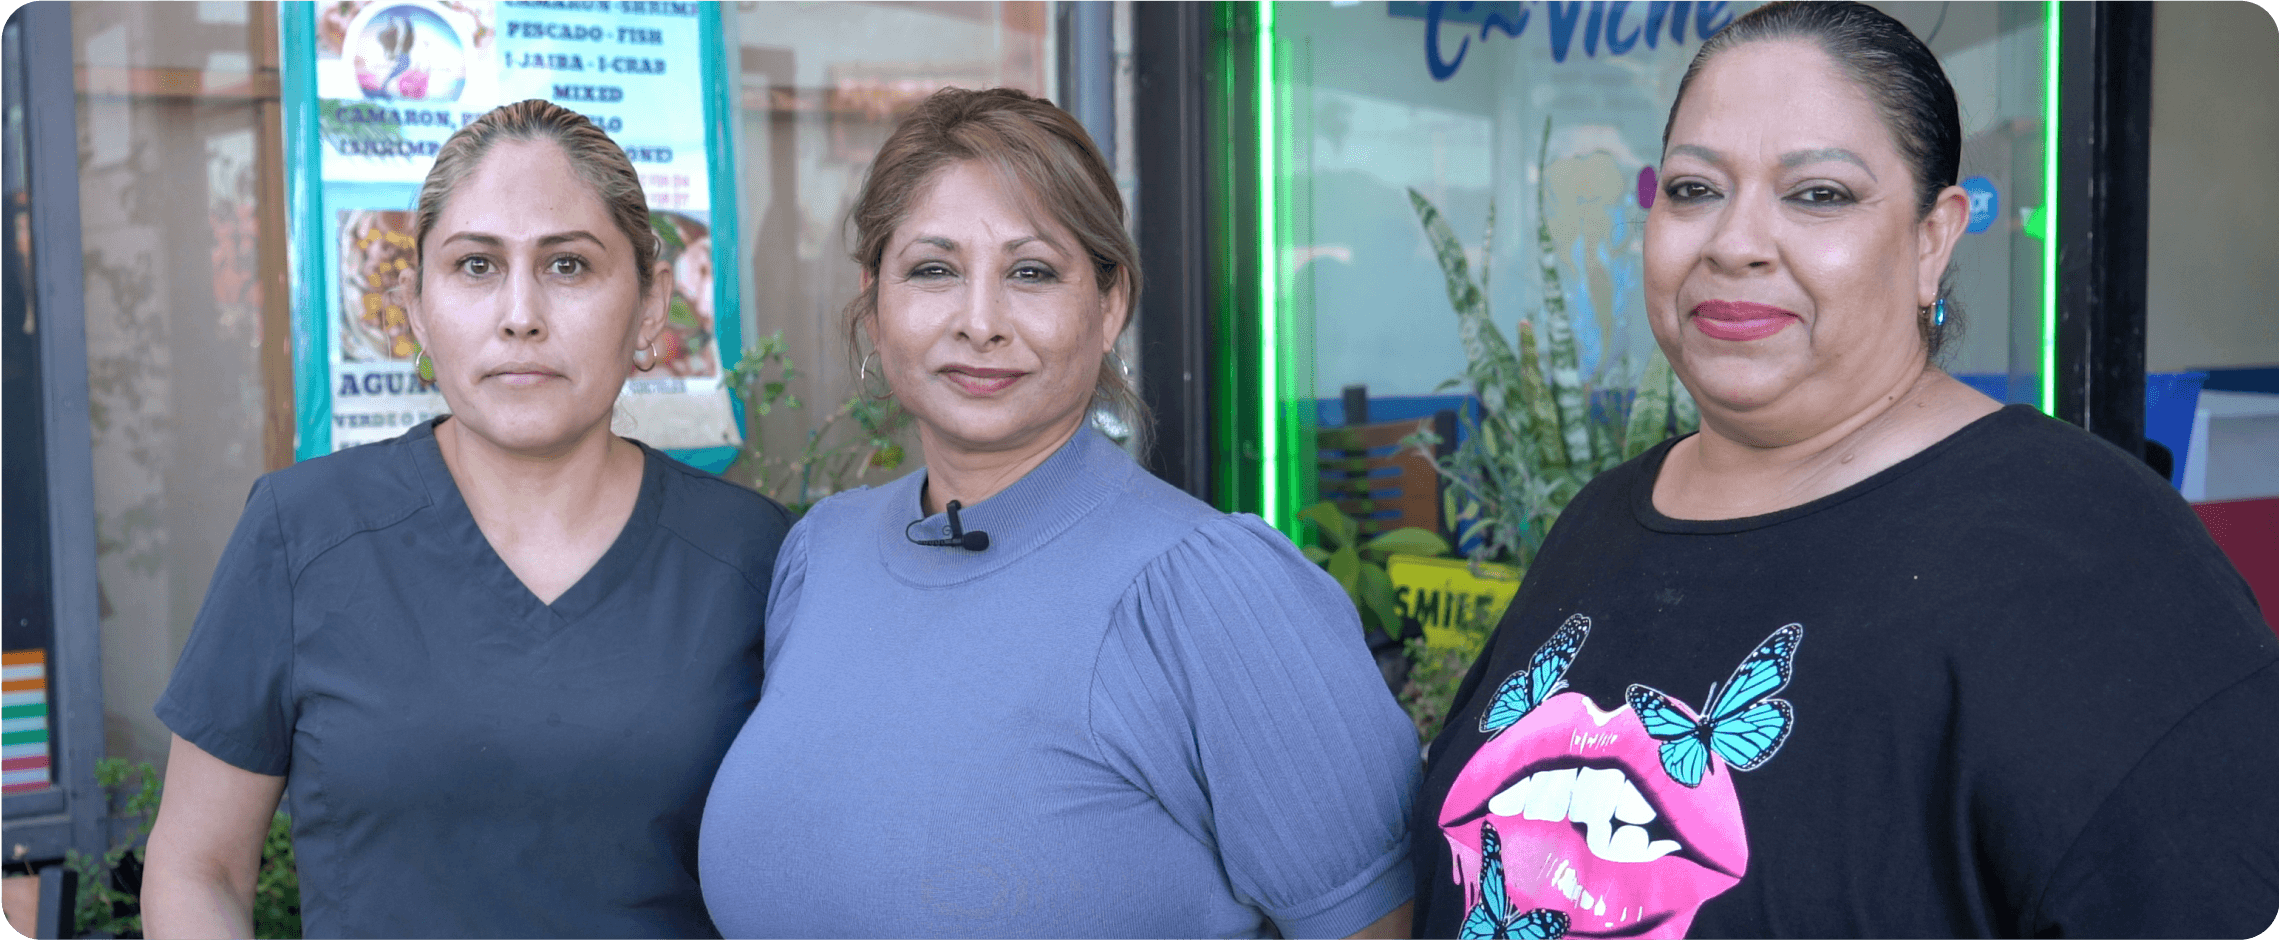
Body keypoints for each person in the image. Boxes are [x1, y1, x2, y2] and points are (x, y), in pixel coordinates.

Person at [1409, 3, 2279, 938]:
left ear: (1931, 240)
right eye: (1695, 189)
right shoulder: (1602, 521)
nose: (1733, 242)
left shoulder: (2097, 562)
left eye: (1817, 194)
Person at [697, 87, 1419, 939]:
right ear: (875, 298)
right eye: (933, 269)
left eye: (1030, 272)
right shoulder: (821, 554)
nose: (979, 322)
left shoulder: (1212, 593)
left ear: (1109, 305)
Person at [141, 100, 792, 939]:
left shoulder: (752, 553)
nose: (520, 313)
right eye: (476, 266)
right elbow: (198, 868)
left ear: (650, 302)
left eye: (568, 266)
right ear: (415, 305)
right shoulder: (302, 533)